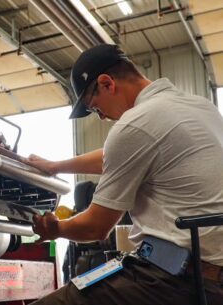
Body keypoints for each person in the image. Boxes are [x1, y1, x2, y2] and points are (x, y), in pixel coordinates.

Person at [24, 44, 223, 305]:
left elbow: (96, 227)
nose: (103, 117)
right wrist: (55, 167)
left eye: (96, 108)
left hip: (175, 282)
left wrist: (56, 229)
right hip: (211, 278)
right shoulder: (198, 106)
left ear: (107, 83)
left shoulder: (134, 125)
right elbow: (116, 157)